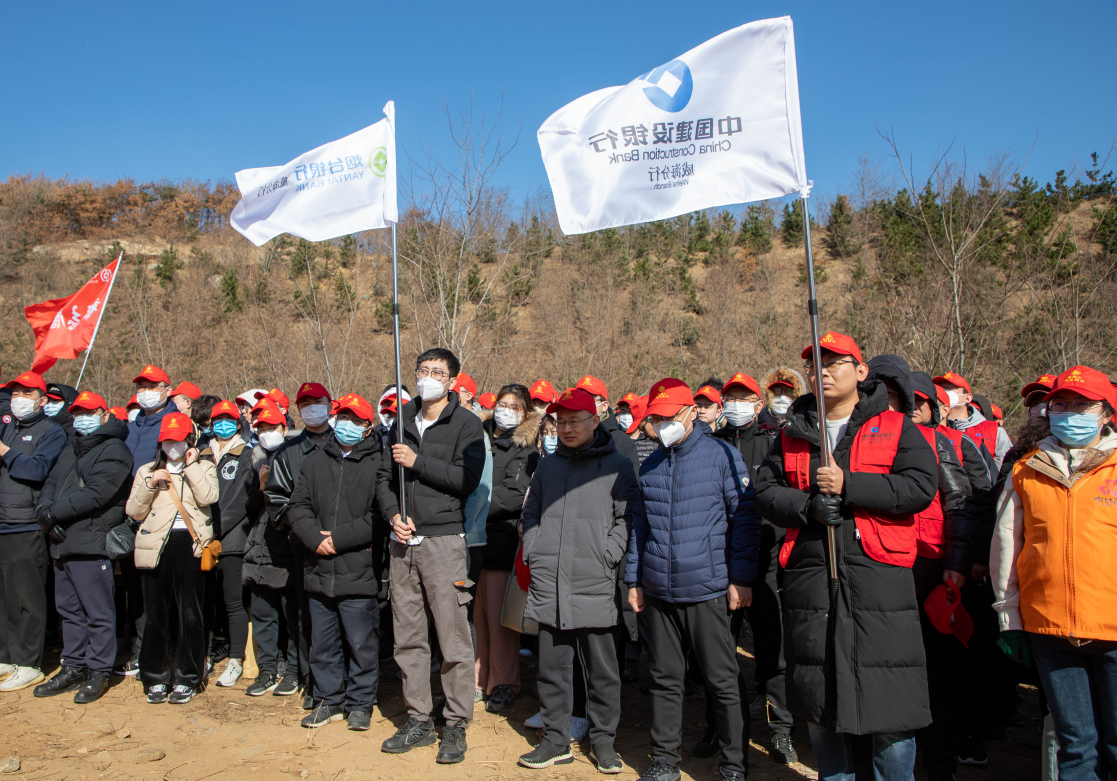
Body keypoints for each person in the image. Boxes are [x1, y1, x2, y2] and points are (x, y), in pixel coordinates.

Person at [754, 332, 939, 781]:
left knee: (890, 712)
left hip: (879, 585)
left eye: (836, 363)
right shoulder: (793, 432)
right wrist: (807, 507)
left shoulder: (896, 426)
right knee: (820, 704)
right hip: (813, 581)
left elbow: (920, 486)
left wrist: (850, 486)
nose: (824, 371)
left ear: (860, 372)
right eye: (816, 364)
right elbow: (765, 491)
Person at [626, 378, 759, 781]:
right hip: (659, 590)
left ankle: (735, 764)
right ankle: (665, 760)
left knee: (721, 679)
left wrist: (741, 578)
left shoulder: (722, 456)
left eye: (669, 417)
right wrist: (634, 579)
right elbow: (639, 526)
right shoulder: (649, 465)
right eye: (655, 418)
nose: (662, 424)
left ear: (689, 414)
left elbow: (744, 520)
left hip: (708, 588)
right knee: (665, 679)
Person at [991, 365, 1117, 781]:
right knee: (1075, 745)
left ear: (1106, 413)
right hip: (1050, 629)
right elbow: (1006, 546)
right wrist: (1009, 618)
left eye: (1082, 404)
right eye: (1060, 403)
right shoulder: (1027, 469)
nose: (1069, 412)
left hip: (1113, 629)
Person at [870, 358, 981, 781]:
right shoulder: (868, 439)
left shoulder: (942, 444)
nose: (907, 408)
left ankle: (939, 764)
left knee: (931, 672)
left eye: (915, 402)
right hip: (881, 565)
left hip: (928, 566)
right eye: (900, 399)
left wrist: (956, 564)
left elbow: (961, 505)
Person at [517, 387, 637, 773]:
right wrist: (534, 545)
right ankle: (555, 740)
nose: (566, 429)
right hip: (549, 583)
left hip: (595, 582)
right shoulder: (548, 466)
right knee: (552, 669)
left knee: (602, 672)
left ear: (594, 420)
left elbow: (627, 519)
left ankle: (604, 741)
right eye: (560, 421)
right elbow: (531, 512)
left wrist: (609, 553)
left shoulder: (617, 465)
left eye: (574, 421)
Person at [377, 348, 485, 764]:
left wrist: (418, 461)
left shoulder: (468, 425)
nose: (427, 378)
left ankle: (455, 722)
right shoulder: (401, 420)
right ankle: (419, 719)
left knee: (453, 636)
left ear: (453, 381)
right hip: (402, 542)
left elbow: (465, 480)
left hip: (444, 542)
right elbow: (384, 479)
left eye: (437, 372)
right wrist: (392, 515)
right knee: (408, 636)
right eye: (422, 370)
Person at [707, 371, 795, 763]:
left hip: (768, 564)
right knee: (720, 652)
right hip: (721, 565)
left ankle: (781, 730)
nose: (735, 404)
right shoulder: (712, 445)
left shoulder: (776, 444)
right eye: (731, 397)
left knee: (772, 650)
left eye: (744, 397)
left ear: (758, 404)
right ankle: (718, 726)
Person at [288, 393, 384, 730]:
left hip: (358, 566)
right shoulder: (314, 460)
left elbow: (379, 516)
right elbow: (296, 506)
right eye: (342, 417)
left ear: (367, 427)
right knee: (322, 642)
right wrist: (315, 537)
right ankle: (328, 699)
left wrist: (337, 539)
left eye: (355, 420)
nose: (346, 425)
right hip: (317, 567)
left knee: (361, 643)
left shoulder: (379, 464)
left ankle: (360, 703)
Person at [32, 391, 133, 703]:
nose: (82, 418)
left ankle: (99, 670)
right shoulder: (69, 447)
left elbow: (97, 494)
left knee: (98, 612)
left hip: (91, 541)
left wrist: (54, 513)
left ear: (104, 414)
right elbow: (49, 485)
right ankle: (73, 665)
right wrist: (45, 515)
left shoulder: (115, 449)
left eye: (89, 412)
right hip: (62, 541)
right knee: (68, 611)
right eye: (77, 413)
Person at [127, 412, 220, 704]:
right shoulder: (145, 471)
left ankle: (187, 676)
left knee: (190, 613)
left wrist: (190, 466)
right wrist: (151, 483)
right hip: (156, 546)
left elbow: (208, 498)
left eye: (179, 440)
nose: (173, 446)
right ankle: (155, 676)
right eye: (167, 440)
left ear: (189, 441)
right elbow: (134, 511)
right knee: (156, 613)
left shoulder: (204, 466)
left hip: (191, 546)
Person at [263, 382, 334, 707]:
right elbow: (277, 500)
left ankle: (344, 681)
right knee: (306, 614)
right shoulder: (288, 452)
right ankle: (311, 681)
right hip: (304, 546)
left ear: (329, 404)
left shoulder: (348, 441)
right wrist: (308, 530)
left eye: (316, 401)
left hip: (347, 543)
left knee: (346, 613)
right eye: (304, 403)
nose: (311, 408)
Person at [0, 371, 67, 692]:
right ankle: (5, 657)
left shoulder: (51, 432)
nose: (18, 399)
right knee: (3, 597)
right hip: (2, 523)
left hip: (26, 524)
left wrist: (4, 451)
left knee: (26, 597)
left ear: (42, 401)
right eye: (15, 393)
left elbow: (38, 469)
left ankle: (29, 662)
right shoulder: (7, 428)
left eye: (26, 394)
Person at [475, 384, 539, 714]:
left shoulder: (526, 449)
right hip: (469, 541)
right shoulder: (476, 436)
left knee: (501, 621)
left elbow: (514, 494)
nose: (506, 410)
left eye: (515, 407)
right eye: (502, 404)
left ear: (525, 413)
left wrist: (471, 503)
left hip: (500, 541)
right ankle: (477, 679)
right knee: (475, 619)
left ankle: (504, 683)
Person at [242, 403, 301, 696]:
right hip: (258, 546)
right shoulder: (255, 462)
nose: (266, 433)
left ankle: (293, 670)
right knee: (264, 612)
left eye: (272, 428)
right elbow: (249, 508)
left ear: (285, 428)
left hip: (286, 546)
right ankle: (267, 669)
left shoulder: (295, 456)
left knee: (292, 613)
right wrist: (261, 487)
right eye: (261, 429)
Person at [201, 400, 259, 689]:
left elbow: (238, 501)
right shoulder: (200, 452)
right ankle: (204, 654)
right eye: (217, 420)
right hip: (200, 537)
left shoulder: (246, 454)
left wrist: (215, 533)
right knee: (203, 601)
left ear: (238, 423)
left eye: (229, 419)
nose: (222, 424)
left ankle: (236, 659)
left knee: (233, 602)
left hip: (231, 538)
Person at [935, 372, 1013, 473]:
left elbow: (1003, 474)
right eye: (941, 388)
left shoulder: (995, 431)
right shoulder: (932, 429)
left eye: (950, 388)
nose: (944, 391)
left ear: (967, 398)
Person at [577, 376, 639, 475]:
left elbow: (631, 483)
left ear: (604, 405)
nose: (583, 404)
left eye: (590, 399)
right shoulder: (569, 436)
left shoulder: (623, 442)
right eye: (579, 399)